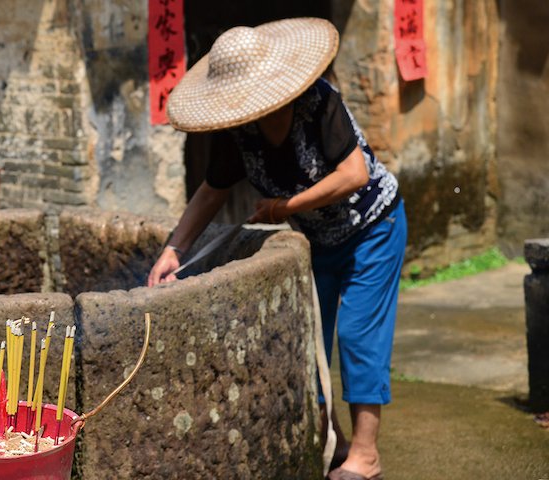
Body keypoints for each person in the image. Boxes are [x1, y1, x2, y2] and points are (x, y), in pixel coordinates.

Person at [147, 18, 406, 480]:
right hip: (318, 240)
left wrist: (282, 206)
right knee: (309, 339)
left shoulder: (320, 104)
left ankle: (366, 456)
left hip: (373, 228)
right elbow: (212, 191)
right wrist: (174, 250)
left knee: (357, 334)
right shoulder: (239, 131)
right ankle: (336, 443)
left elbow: (354, 176)